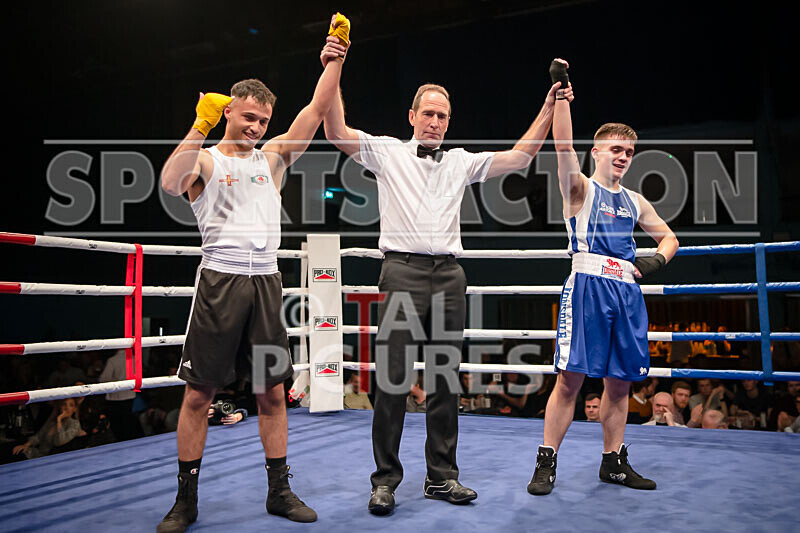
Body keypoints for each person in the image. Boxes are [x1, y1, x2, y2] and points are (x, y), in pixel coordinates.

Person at [323, 41, 568, 516]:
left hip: (449, 275)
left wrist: (549, 104)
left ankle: (441, 477)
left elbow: (519, 158)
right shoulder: (388, 152)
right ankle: (385, 480)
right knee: (393, 381)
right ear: (412, 115)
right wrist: (335, 64)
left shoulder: (459, 160)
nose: (436, 122)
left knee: (444, 380)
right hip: (400, 270)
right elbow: (335, 129)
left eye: (443, 116)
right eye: (429, 113)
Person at [156, 14, 351, 531]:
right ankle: (185, 500)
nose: (255, 127)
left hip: (265, 283)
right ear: (228, 113)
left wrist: (336, 56)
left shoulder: (272, 160)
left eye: (263, 121)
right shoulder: (207, 161)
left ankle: (279, 491)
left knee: (271, 392)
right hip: (219, 280)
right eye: (247, 117)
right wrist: (198, 125)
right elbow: (171, 183)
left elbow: (314, 112)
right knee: (199, 394)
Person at [527, 59, 679, 496]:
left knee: (620, 383)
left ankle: (613, 462)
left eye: (629, 152)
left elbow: (669, 239)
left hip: (626, 293)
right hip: (588, 288)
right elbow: (561, 147)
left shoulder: (634, 201)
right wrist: (562, 93)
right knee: (570, 380)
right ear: (596, 152)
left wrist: (653, 262)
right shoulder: (579, 189)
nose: (623, 157)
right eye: (615, 149)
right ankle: (546, 461)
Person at [12, 399, 85, 459]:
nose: (66, 407)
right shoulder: (52, 420)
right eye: (64, 404)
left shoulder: (74, 424)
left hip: (51, 458)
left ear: (75, 409)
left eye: (71, 405)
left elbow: (59, 441)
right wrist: (26, 445)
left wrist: (59, 420)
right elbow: (38, 437)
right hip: (37, 452)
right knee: (13, 450)